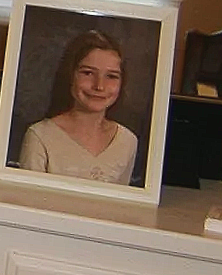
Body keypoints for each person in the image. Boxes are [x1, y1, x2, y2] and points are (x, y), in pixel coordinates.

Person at [16, 29, 138, 184]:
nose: (99, 86)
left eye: (111, 76)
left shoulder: (127, 141)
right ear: (70, 75)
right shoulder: (40, 136)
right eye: (88, 73)